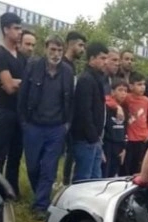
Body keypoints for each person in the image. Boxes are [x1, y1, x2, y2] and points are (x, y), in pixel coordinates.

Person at [18, 35, 74, 220]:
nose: (56, 54)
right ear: (45, 49)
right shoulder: (33, 67)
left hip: (56, 128)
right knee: (33, 166)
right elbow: (23, 95)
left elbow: (70, 100)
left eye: (59, 50)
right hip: (33, 125)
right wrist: (24, 122)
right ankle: (39, 194)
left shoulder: (67, 71)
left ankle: (41, 205)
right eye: (52, 49)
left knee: (49, 168)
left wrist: (67, 124)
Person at [0, 12, 25, 198]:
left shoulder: (21, 56)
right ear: (5, 29)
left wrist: (17, 82)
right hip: (4, 111)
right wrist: (20, 83)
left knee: (16, 155)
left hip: (20, 112)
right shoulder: (0, 55)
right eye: (16, 28)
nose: (19, 32)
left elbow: (23, 83)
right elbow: (9, 87)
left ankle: (11, 191)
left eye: (20, 28)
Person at [71, 42, 108, 181]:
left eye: (106, 58)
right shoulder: (86, 80)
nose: (105, 62)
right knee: (83, 179)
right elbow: (84, 111)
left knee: (95, 179)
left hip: (94, 139)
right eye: (102, 58)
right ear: (92, 59)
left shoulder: (97, 79)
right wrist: (92, 136)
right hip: (85, 139)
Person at [61, 31, 87, 186]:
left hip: (71, 117)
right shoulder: (62, 65)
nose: (83, 49)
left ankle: (65, 182)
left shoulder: (73, 66)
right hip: (61, 118)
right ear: (70, 44)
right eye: (80, 45)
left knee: (71, 153)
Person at [123, 72, 148, 175]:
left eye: (144, 84)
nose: (142, 87)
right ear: (131, 86)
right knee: (125, 166)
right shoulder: (126, 98)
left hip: (141, 139)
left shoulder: (147, 101)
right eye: (139, 84)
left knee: (137, 166)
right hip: (128, 139)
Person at [103, 81, 129, 178]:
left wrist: (124, 148)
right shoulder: (107, 108)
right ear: (113, 92)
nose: (123, 93)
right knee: (104, 173)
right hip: (107, 145)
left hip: (119, 147)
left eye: (125, 91)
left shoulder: (125, 111)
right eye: (120, 90)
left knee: (113, 174)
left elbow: (125, 131)